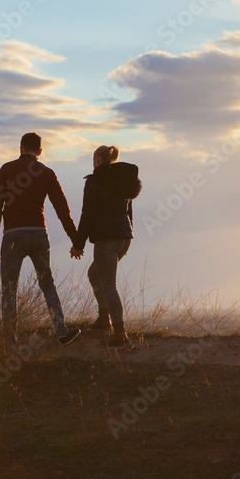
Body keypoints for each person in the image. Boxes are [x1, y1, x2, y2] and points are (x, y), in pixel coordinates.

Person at [0, 132, 82, 347]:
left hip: (13, 235)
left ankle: (11, 343)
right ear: (39, 151)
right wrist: (76, 240)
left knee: (9, 288)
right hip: (40, 233)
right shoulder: (47, 173)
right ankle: (62, 332)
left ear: (20, 148)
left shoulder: (7, 169)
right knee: (47, 283)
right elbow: (62, 210)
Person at [71, 145, 141, 347]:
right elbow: (129, 211)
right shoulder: (123, 181)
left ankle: (119, 333)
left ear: (98, 159)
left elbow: (88, 214)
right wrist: (127, 234)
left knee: (109, 285)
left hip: (106, 238)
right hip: (123, 237)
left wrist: (78, 244)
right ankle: (103, 318)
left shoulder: (94, 181)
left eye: (94, 159)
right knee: (94, 273)